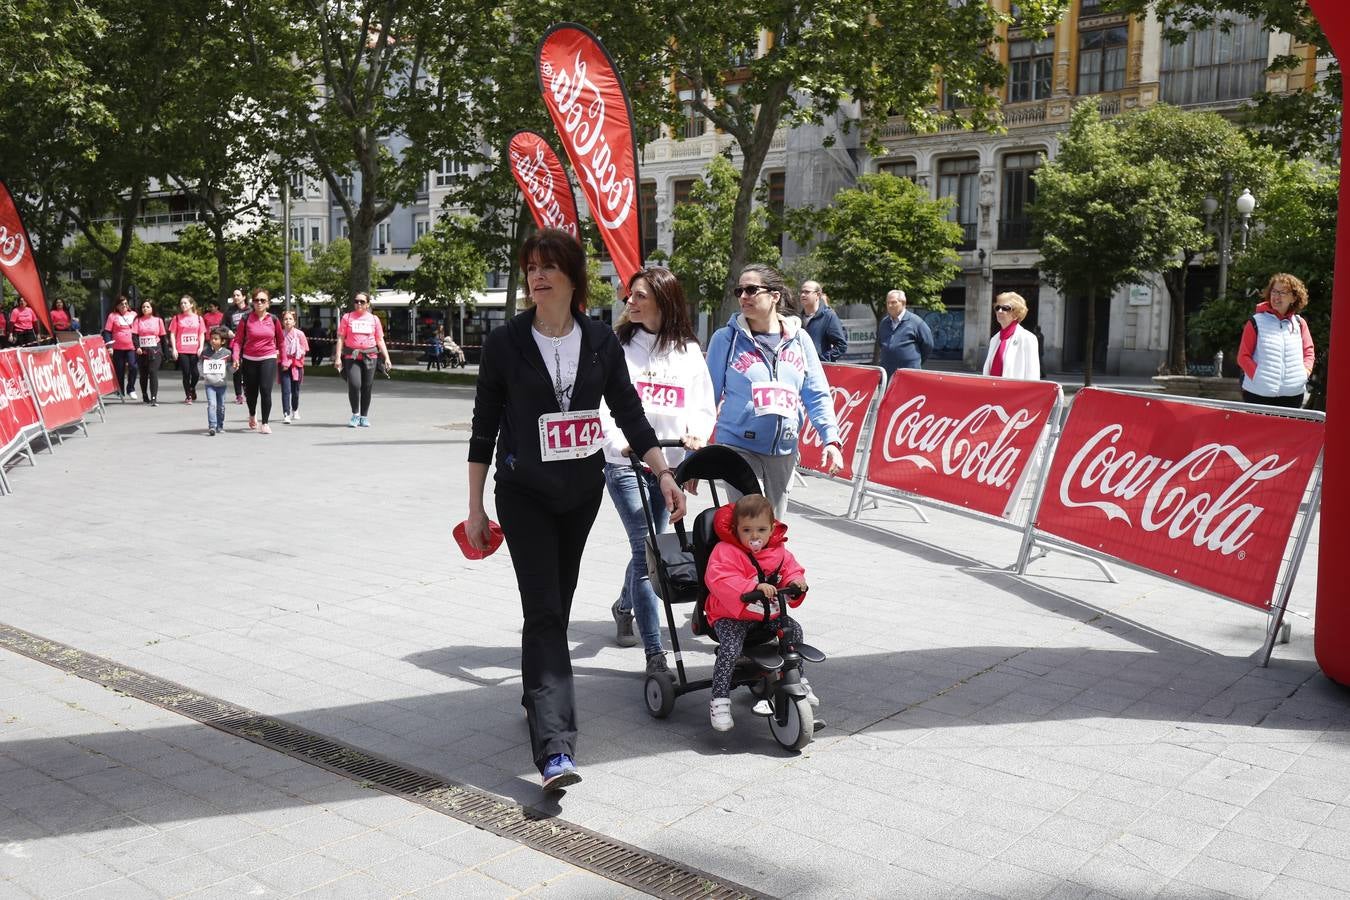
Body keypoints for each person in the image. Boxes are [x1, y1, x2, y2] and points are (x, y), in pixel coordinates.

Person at [465, 228, 687, 791]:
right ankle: (556, 748)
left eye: (548, 266)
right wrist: (474, 509)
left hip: (581, 491)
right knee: (542, 611)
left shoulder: (599, 342)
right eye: (530, 267)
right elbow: (482, 432)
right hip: (522, 493)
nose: (537, 276)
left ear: (571, 275)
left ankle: (534, 693)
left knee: (556, 606)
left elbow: (632, 417)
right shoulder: (505, 343)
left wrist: (663, 474)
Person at [600, 266, 716, 671]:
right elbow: (603, 403)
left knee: (650, 548)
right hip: (625, 464)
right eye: (628, 296)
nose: (629, 302)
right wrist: (619, 442)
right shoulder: (617, 345)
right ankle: (655, 654)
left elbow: (701, 404)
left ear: (663, 301)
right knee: (646, 549)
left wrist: (697, 438)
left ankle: (623, 605)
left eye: (639, 296)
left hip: (671, 464)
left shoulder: (686, 350)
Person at [705, 264, 844, 520]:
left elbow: (816, 393)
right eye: (739, 291)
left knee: (773, 527)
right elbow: (706, 397)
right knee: (748, 523)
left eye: (751, 290)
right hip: (738, 446)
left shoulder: (800, 340)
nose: (743, 297)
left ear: (775, 296)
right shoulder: (725, 339)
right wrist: (695, 452)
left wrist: (831, 439)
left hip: (784, 449)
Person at [703, 494, 816, 731]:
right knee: (731, 648)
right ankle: (720, 699)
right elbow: (719, 578)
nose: (755, 537)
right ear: (736, 530)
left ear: (772, 528)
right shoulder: (726, 551)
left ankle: (798, 678)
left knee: (793, 630)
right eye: (747, 530)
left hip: (766, 615)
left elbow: (791, 569)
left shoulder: (778, 551)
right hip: (730, 615)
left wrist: (797, 582)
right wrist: (752, 587)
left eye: (761, 530)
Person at [1237, 273, 1314, 409]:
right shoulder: (1255, 322)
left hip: (1293, 395)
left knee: (1288, 431)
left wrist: (1304, 373)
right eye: (1274, 291)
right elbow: (1243, 356)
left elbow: (1309, 352)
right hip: (1258, 394)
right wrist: (1258, 377)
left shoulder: (1300, 323)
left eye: (1282, 292)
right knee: (1259, 431)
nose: (1276, 297)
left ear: (1294, 297)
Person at [334, 292, 392, 427]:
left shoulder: (374, 319)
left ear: (368, 304)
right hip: (352, 356)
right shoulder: (347, 318)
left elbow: (379, 339)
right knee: (354, 385)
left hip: (370, 356)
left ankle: (364, 417)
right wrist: (338, 357)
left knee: (367, 387)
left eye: (362, 302)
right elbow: (341, 338)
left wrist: (387, 357)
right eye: (356, 301)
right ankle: (355, 414)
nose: (359, 304)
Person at [230, 289, 283, 434]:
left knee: (266, 390)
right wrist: (235, 357)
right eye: (256, 300)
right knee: (251, 393)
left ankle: (265, 423)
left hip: (268, 358)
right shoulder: (246, 318)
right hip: (249, 359)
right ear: (252, 302)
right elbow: (238, 341)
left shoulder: (273, 319)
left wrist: (283, 359)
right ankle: (252, 414)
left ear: (268, 303)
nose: (259, 303)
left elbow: (281, 341)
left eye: (262, 300)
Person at [981, 292, 1040, 380]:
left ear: (1016, 314)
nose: (999, 311)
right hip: (992, 391)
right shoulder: (994, 339)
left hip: (1016, 393)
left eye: (1005, 308)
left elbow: (1033, 376)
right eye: (997, 307)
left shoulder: (1028, 338)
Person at [878, 289, 934, 374]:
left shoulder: (916, 322)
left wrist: (914, 361)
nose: (889, 305)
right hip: (888, 374)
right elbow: (881, 343)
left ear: (903, 303)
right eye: (887, 302)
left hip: (909, 375)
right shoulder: (884, 323)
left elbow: (928, 345)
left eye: (893, 302)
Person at [169, 294, 207, 404]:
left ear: (191, 305)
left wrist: (201, 346)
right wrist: (174, 349)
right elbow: (172, 334)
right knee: (186, 372)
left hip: (194, 349)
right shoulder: (177, 318)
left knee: (195, 373)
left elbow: (201, 334)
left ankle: (192, 388)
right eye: (181, 303)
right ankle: (188, 395)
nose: (183, 305)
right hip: (182, 349)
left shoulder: (199, 319)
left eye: (185, 303)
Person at [798, 280, 848, 362]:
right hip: (799, 369)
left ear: (817, 295)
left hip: (820, 370)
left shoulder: (829, 316)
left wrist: (821, 361)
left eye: (807, 292)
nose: (803, 295)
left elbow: (841, 345)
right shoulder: (797, 318)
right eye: (801, 292)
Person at [200, 327, 234, 436]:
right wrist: (204, 375)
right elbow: (200, 364)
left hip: (222, 384)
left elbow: (230, 368)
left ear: (222, 341)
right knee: (212, 404)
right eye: (212, 339)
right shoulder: (205, 353)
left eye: (216, 339)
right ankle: (212, 426)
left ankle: (220, 425)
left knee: (221, 406)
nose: (213, 341)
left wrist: (235, 367)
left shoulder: (227, 353)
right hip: (209, 384)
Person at [103, 296, 138, 398]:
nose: (124, 306)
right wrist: (109, 346)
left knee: (134, 367)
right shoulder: (112, 316)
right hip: (118, 347)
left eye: (126, 303)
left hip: (131, 346)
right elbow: (107, 332)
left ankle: (130, 388)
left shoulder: (134, 315)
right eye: (121, 304)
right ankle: (120, 390)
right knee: (119, 369)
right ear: (117, 306)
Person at [278, 310, 309, 424]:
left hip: (296, 365)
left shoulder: (300, 334)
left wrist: (294, 356)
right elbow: (277, 349)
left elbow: (304, 349)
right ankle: (286, 413)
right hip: (284, 365)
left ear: (294, 321)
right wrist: (284, 360)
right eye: (285, 319)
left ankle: (295, 409)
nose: (287, 321)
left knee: (295, 390)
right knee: (285, 390)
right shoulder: (279, 334)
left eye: (290, 319)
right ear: (282, 321)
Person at [132, 300, 166, 405]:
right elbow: (134, 335)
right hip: (142, 350)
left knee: (153, 372)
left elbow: (163, 337)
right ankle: (144, 394)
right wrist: (137, 347)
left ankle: (154, 398)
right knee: (143, 374)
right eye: (143, 307)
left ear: (152, 308)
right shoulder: (138, 320)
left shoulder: (158, 320)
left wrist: (166, 353)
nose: (145, 308)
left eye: (147, 306)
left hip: (155, 349)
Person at [225, 288, 250, 403]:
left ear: (244, 297)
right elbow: (223, 325)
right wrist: (228, 331)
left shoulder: (250, 311)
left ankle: (247, 390)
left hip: (248, 343)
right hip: (235, 342)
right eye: (234, 295)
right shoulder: (230, 311)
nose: (235, 297)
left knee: (247, 369)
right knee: (237, 368)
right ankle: (238, 395)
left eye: (238, 295)